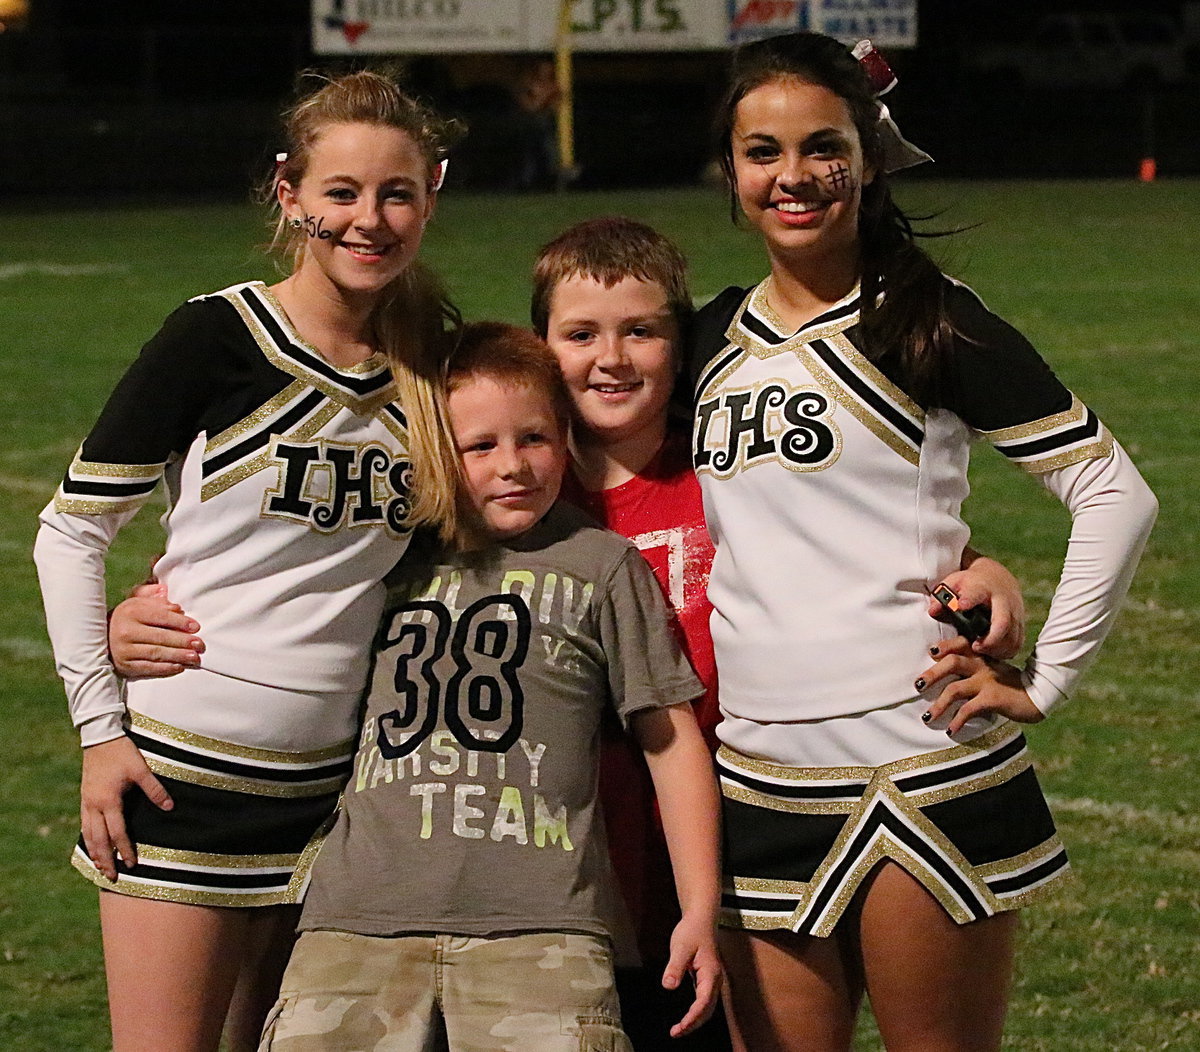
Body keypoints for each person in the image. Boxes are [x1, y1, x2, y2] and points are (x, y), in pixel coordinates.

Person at [692, 32, 1158, 1051]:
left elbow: (1113, 491)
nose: (795, 176)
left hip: (921, 765)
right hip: (758, 776)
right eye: (762, 151)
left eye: (823, 146)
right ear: (728, 171)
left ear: (868, 154)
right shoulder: (705, 340)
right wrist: (983, 560)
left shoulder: (925, 318)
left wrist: (1045, 681)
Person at [33, 70, 463, 1052]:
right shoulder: (215, 337)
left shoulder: (433, 363)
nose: (369, 218)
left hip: (341, 800)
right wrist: (101, 729)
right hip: (183, 783)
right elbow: (71, 530)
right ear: (291, 194)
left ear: (431, 194)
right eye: (342, 193)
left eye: (396, 193)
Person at [529, 216, 1031, 1049]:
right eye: (579, 333)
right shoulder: (523, 495)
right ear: (541, 345)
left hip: (742, 831)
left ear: (681, 347)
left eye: (642, 333)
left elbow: (859, 541)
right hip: (582, 854)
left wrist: (981, 570)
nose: (610, 359)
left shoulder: (728, 467)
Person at [256, 321, 722, 1050]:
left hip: (543, 927)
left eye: (534, 438)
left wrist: (699, 907)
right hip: (357, 920)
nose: (514, 466)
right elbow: (252, 604)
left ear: (566, 435)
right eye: (480, 446)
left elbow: (669, 741)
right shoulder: (383, 550)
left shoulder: (600, 564)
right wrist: (138, 609)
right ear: (437, 451)